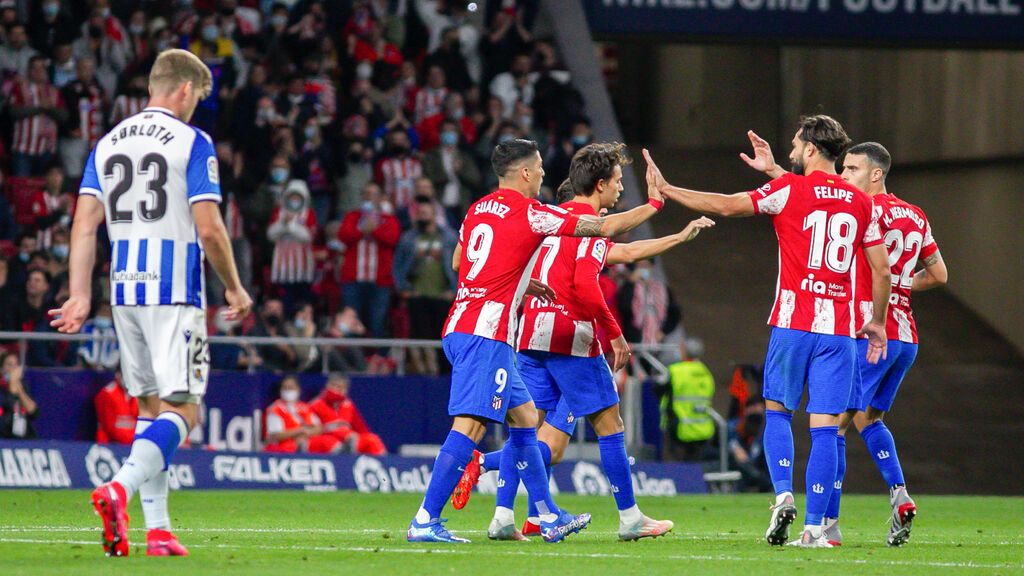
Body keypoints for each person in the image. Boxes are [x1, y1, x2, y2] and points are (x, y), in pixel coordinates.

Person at [643, 116, 893, 548]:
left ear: (811, 149)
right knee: (826, 429)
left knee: (777, 412)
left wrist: (669, 189)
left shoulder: (788, 191)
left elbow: (725, 205)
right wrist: (877, 320)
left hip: (793, 324)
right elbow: (881, 268)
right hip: (839, 330)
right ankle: (816, 528)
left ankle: (781, 495)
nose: (791, 152)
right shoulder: (861, 201)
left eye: (796, 145)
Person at [407, 138, 667, 544]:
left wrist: (521, 284)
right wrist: (654, 204)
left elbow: (461, 263)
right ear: (525, 172)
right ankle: (425, 519)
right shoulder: (534, 214)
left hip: (463, 322)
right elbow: (603, 226)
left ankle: (545, 514)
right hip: (486, 333)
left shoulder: (477, 209)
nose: (546, 173)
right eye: (541, 167)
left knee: (527, 419)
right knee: (472, 426)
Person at [49, 49, 252, 558]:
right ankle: (119, 487)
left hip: (124, 291)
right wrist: (234, 285)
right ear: (184, 89)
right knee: (186, 409)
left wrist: (78, 293)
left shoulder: (108, 140)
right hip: (175, 290)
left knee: (149, 407)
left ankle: (158, 531)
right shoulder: (192, 141)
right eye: (198, 97)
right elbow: (208, 227)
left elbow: (84, 224)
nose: (195, 106)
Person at [451, 153, 713, 541]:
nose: (621, 187)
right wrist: (615, 334)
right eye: (618, 180)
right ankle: (629, 518)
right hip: (571, 339)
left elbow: (625, 253)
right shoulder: (585, 228)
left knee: (533, 434)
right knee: (610, 425)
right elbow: (587, 284)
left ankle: (504, 512)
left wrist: (676, 236)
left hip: (530, 337)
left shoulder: (544, 222)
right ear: (600, 185)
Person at [828, 142, 947, 546]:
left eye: (851, 169)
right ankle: (900, 496)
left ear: (875, 174)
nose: (844, 177)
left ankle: (827, 524)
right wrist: (902, 284)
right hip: (906, 339)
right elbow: (939, 275)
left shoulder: (861, 210)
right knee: (870, 419)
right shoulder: (916, 214)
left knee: (834, 426)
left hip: (871, 334)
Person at [392, 198, 457, 376]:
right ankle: (424, 374)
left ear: (434, 215)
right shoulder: (408, 238)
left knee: (443, 339)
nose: (423, 217)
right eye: (420, 214)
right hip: (417, 297)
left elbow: (460, 265)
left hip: (442, 297)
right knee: (420, 337)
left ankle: (445, 374)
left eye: (426, 213)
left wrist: (454, 290)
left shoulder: (449, 238)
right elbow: (398, 265)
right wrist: (402, 288)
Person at [338, 183, 400, 338]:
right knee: (350, 321)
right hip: (353, 279)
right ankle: (351, 357)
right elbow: (344, 236)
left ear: (380, 198)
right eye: (365, 194)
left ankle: (376, 358)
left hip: (380, 281)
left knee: (377, 322)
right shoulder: (352, 217)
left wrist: (375, 229)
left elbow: (393, 239)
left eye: (372, 194)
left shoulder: (388, 219)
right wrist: (361, 229)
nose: (368, 197)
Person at [9, 55, 67, 176]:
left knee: (42, 186)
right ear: (29, 70)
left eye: (42, 68)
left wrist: (49, 109)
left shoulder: (54, 91)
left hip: (47, 150)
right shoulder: (19, 88)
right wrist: (40, 108)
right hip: (23, 149)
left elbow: (64, 116)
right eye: (35, 68)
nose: (39, 71)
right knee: (22, 187)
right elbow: (13, 112)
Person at [660, 338, 715, 462]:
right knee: (695, 466)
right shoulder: (705, 371)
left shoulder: (676, 370)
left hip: (679, 426)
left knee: (676, 466)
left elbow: (658, 389)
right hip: (701, 427)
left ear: (684, 352)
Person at [267, 180, 316, 313]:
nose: (294, 200)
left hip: (303, 268)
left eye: (297, 197)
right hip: (283, 268)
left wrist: (290, 226)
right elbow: (271, 234)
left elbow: (307, 236)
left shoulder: (309, 213)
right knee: (285, 302)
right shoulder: (279, 212)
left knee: (304, 302)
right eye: (292, 197)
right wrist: (283, 224)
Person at [308, 373, 387, 456]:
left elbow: (361, 429)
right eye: (335, 386)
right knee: (330, 443)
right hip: (328, 441)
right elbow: (312, 431)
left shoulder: (348, 405)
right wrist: (333, 429)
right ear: (327, 386)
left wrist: (352, 436)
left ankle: (387, 464)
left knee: (372, 439)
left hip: (350, 439)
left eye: (342, 388)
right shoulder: (315, 405)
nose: (338, 390)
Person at [264, 375, 341, 454]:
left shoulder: (304, 407)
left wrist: (307, 433)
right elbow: (275, 435)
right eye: (285, 388)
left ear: (298, 389)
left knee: (327, 441)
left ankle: (344, 455)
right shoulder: (275, 408)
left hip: (305, 441)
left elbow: (319, 428)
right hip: (282, 447)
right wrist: (300, 431)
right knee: (299, 445)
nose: (288, 391)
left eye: (291, 388)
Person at [0, 352, 38, 439]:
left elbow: (34, 413)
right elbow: (7, 414)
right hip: (4, 437)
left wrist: (20, 390)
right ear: (1, 369)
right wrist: (12, 386)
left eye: (16, 365)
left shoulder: (23, 386)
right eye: (9, 364)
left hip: (24, 437)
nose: (13, 368)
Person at [95, 370, 138, 445]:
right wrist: (133, 440)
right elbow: (110, 428)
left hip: (132, 444)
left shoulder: (137, 394)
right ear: (118, 375)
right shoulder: (107, 394)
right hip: (110, 445)